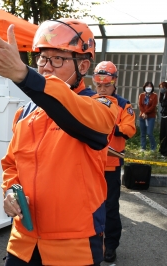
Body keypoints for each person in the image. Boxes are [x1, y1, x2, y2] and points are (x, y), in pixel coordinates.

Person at [0, 19, 118, 265]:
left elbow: (75, 112)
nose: (46, 67)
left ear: (83, 65)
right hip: (23, 242)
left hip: (74, 245)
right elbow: (11, 164)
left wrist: (24, 76)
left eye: (57, 59)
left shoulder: (100, 106)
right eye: (42, 58)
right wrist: (10, 191)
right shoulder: (25, 112)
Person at [93, 61, 136, 262]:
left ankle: (110, 245)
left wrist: (108, 123)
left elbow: (129, 130)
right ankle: (90, 241)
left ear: (115, 82)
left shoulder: (123, 105)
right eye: (99, 85)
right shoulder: (89, 100)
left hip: (111, 165)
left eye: (106, 85)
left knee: (110, 207)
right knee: (88, 205)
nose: (102, 89)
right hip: (89, 163)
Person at [138, 81, 158, 152]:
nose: (148, 88)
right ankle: (143, 147)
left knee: (149, 133)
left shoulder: (154, 96)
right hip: (142, 116)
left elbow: (153, 106)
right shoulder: (142, 95)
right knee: (142, 133)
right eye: (147, 86)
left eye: (150, 86)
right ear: (144, 87)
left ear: (152, 87)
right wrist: (143, 113)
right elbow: (140, 105)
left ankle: (153, 148)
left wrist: (146, 112)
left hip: (151, 116)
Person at [159, 81, 167, 156]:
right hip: (163, 116)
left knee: (165, 136)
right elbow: (161, 102)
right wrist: (161, 94)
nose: (162, 89)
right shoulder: (163, 95)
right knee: (162, 134)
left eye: (163, 87)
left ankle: (165, 152)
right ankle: (161, 150)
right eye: (161, 87)